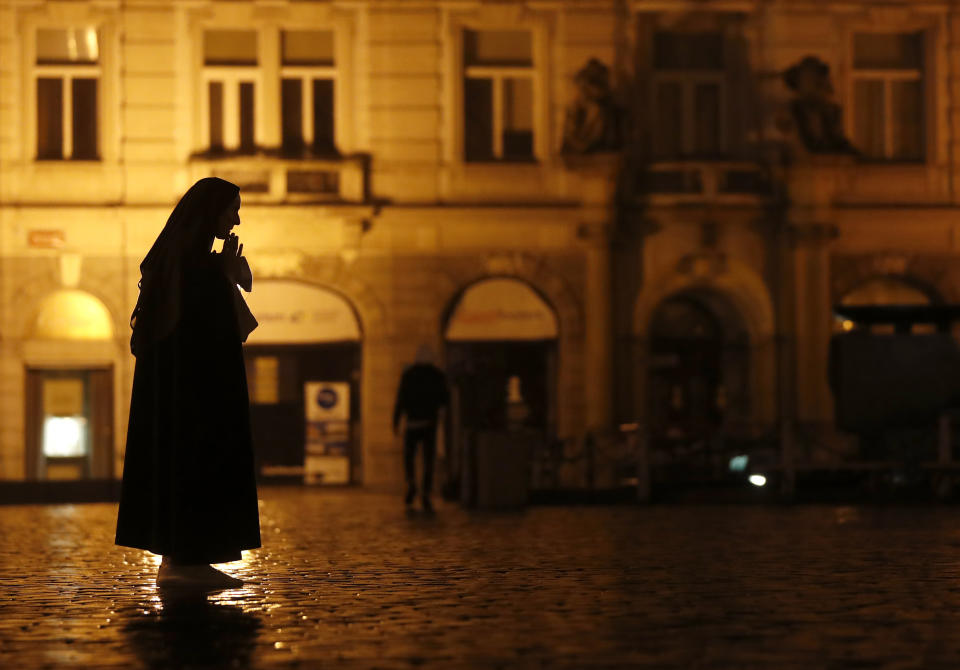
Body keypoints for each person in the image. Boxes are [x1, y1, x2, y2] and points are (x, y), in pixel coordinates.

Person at [115, 177, 260, 589]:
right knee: (196, 467)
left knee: (183, 467)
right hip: (198, 397)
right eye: (231, 208)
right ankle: (187, 561)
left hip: (185, 395)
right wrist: (227, 275)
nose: (235, 219)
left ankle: (183, 558)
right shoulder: (193, 267)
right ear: (209, 211)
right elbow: (217, 330)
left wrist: (226, 275)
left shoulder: (180, 260)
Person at [393, 345, 450, 512]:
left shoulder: (409, 375)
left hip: (412, 423)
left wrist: (396, 421)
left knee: (409, 457)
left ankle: (411, 482)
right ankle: (426, 491)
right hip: (429, 423)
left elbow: (400, 399)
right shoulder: (437, 375)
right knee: (428, 460)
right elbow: (444, 399)